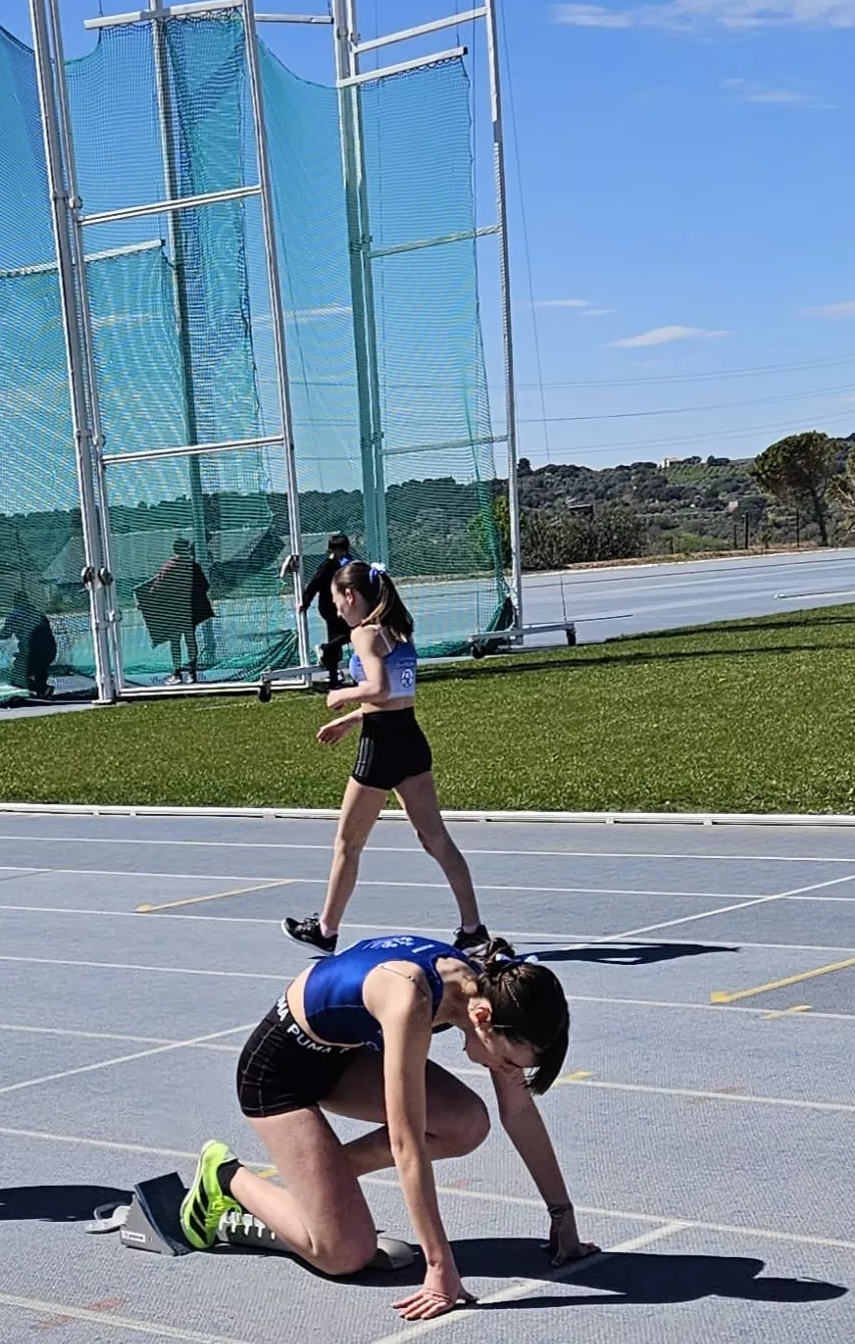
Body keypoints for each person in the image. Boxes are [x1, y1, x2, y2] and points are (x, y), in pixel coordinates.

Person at [179, 934, 594, 1319]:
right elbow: (406, 1143)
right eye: (509, 1061)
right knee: (343, 1253)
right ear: (482, 1017)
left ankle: (321, 1184)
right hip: (278, 1073)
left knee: (466, 1124)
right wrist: (439, 1265)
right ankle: (227, 1177)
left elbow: (518, 1113)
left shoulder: (492, 992)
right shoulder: (411, 998)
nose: (507, 1072)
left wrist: (563, 1213)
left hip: (343, 1058)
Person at [283, 561, 488, 955]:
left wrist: (340, 695)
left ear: (351, 596)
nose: (338, 612)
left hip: (381, 748)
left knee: (347, 843)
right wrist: (352, 719)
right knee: (436, 840)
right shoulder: (399, 631)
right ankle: (473, 928)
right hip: (409, 738)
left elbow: (377, 687)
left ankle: (325, 931)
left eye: (336, 602)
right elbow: (397, 697)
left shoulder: (364, 634)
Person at [138, 537, 215, 684]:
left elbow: (156, 589)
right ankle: (192, 673)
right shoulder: (193, 566)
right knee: (190, 640)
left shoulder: (169, 567)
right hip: (189, 610)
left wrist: (146, 601)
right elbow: (205, 586)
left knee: (175, 642)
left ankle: (177, 674)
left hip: (175, 611)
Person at [301, 532, 356, 687]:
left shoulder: (344, 565)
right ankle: (324, 648)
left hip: (342, 606)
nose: (344, 553)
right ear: (333, 550)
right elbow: (314, 585)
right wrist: (305, 603)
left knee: (337, 640)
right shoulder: (326, 566)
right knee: (352, 634)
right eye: (341, 550)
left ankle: (333, 680)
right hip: (329, 608)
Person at [0, 591, 57, 699]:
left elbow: (5, 634)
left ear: (15, 601)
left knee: (16, 677)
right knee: (40, 670)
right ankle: (42, 691)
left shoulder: (15, 614)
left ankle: (41, 689)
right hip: (50, 650)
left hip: (32, 650)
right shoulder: (37, 612)